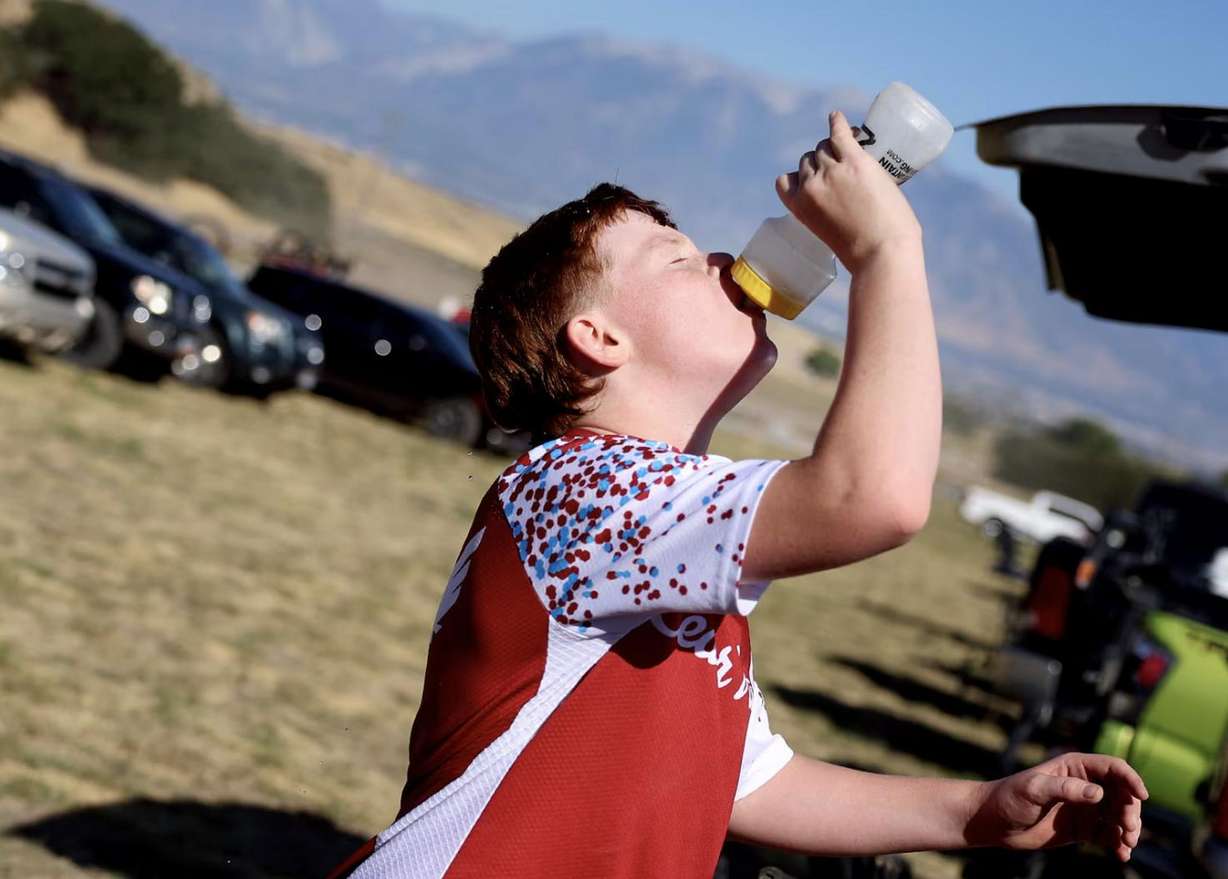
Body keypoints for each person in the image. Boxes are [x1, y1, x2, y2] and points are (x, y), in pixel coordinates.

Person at [328, 111, 1146, 879]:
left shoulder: (655, 533)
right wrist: (886, 250)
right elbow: (872, 497)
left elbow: (752, 784)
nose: (722, 261)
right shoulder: (575, 489)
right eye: (679, 258)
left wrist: (979, 810)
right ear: (599, 338)